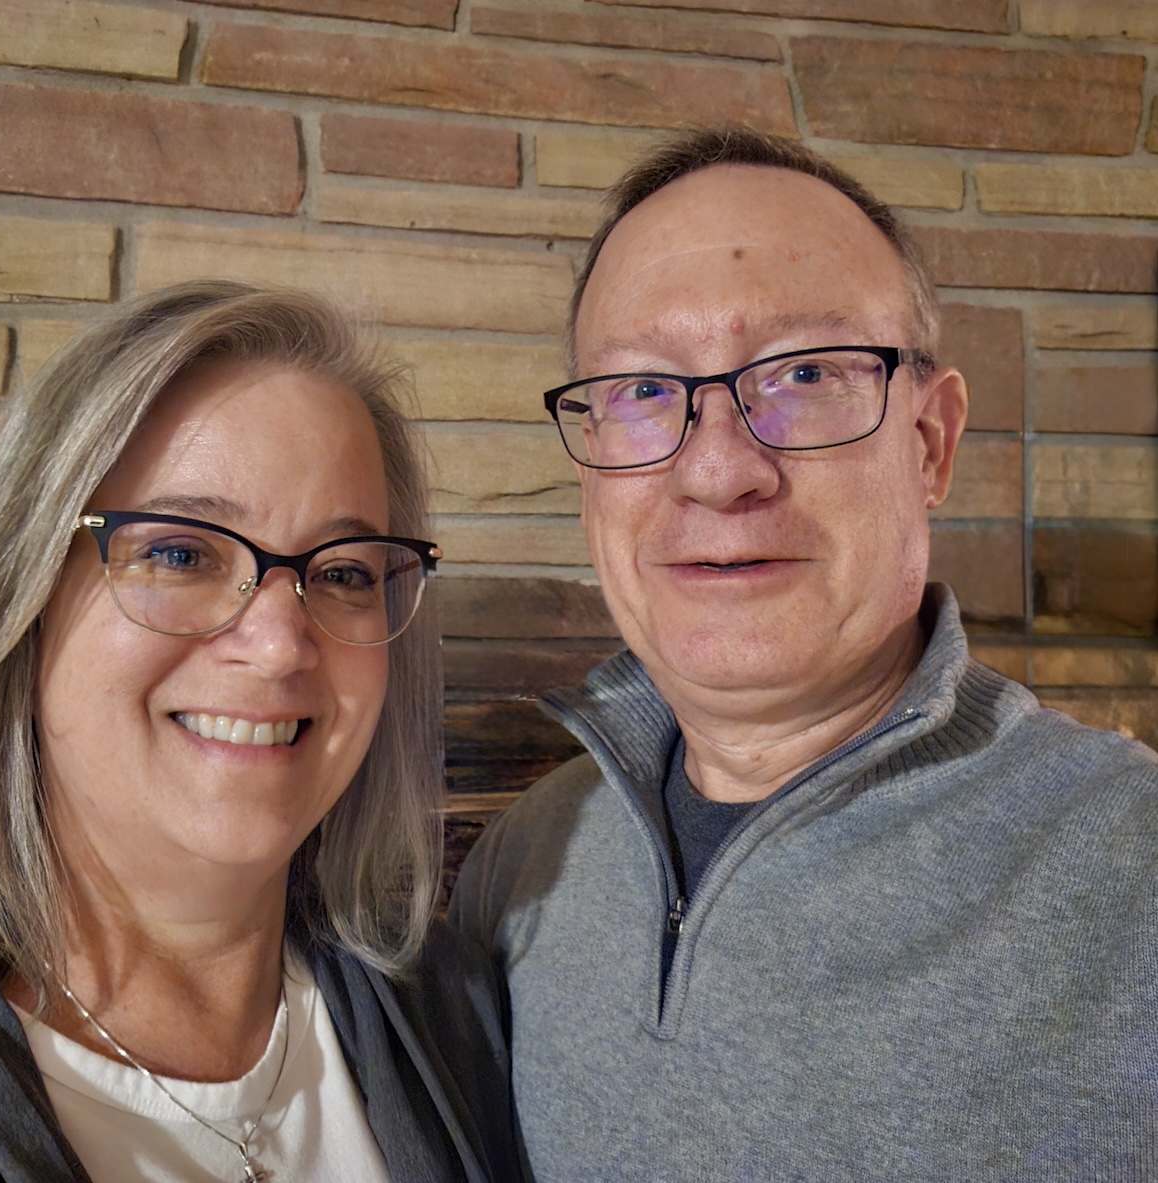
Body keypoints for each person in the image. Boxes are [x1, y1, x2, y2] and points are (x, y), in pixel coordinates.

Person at [0, 281, 522, 1183]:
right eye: (181, 553)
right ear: (21, 600)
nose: (278, 645)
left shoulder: (460, 1022)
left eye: (343, 572)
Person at [450, 126, 1158, 1180]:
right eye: (642, 389)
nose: (718, 470)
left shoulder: (1130, 872)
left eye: (805, 372)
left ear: (929, 443)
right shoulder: (526, 861)